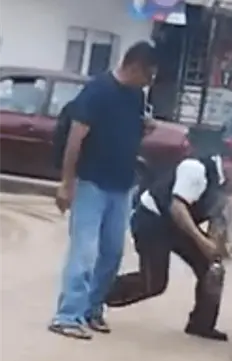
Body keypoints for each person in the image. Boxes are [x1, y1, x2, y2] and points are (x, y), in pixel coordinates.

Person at [49, 41, 158, 340]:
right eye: (148, 75)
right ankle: (67, 315)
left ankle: (91, 309)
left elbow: (127, 130)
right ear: (135, 67)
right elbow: (75, 139)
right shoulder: (98, 91)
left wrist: (144, 127)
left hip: (121, 185)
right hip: (91, 182)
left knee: (112, 253)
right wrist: (66, 182)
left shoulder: (136, 95)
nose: (149, 82)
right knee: (84, 252)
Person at [105, 151, 232, 341]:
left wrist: (217, 246)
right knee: (154, 284)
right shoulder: (195, 169)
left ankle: (201, 325)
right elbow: (177, 208)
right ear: (228, 162)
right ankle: (97, 296)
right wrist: (202, 241)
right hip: (153, 220)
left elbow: (218, 219)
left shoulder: (228, 186)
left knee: (212, 269)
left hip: (181, 226)